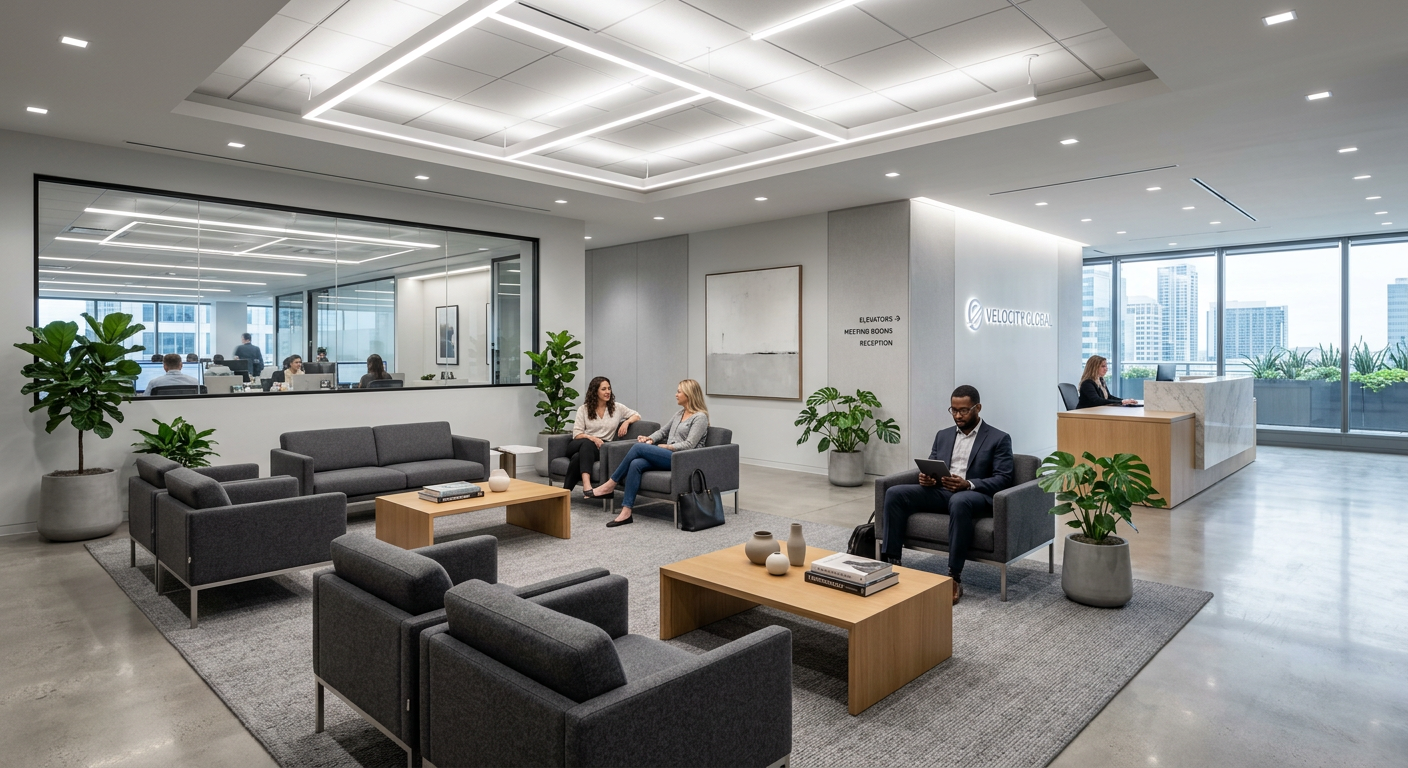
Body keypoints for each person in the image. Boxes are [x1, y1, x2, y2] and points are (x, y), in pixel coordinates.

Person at [879, 385, 1014, 605]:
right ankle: (892, 564)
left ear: (978, 408)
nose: (958, 415)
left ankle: (954, 577)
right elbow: (933, 464)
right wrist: (927, 479)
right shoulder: (943, 435)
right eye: (953, 410)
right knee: (895, 493)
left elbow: (1003, 478)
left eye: (964, 410)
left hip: (975, 496)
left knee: (960, 501)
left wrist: (968, 484)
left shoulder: (999, 438)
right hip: (941, 492)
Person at [588, 379, 708, 527]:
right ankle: (626, 512)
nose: (676, 394)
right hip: (669, 455)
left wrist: (667, 447)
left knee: (639, 448)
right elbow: (663, 431)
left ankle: (610, 484)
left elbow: (690, 444)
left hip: (683, 459)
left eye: (679, 391)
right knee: (636, 463)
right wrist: (649, 438)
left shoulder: (700, 417)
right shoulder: (680, 414)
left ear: (689, 394)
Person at [562, 377, 641, 493]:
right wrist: (592, 438)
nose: (607, 392)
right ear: (595, 391)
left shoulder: (616, 408)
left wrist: (626, 422)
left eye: (609, 388)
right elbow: (577, 434)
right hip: (579, 443)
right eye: (603, 389)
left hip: (601, 448)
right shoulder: (583, 409)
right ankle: (587, 485)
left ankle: (564, 493)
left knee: (577, 458)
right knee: (587, 444)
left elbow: (637, 415)